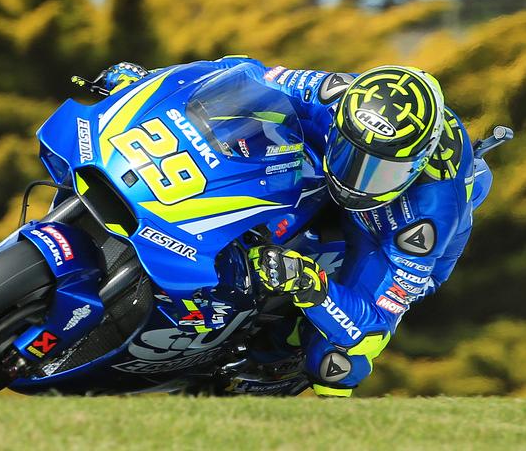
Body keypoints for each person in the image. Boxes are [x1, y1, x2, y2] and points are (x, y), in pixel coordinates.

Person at [101, 57, 487, 397]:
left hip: (381, 231)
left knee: (337, 366)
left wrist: (311, 285)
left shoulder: (429, 216)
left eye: (378, 171)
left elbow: (374, 324)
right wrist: (150, 82)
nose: (356, 179)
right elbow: (241, 73)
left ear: (414, 167)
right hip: (319, 168)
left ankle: (269, 365)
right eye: (351, 153)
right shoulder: (335, 93)